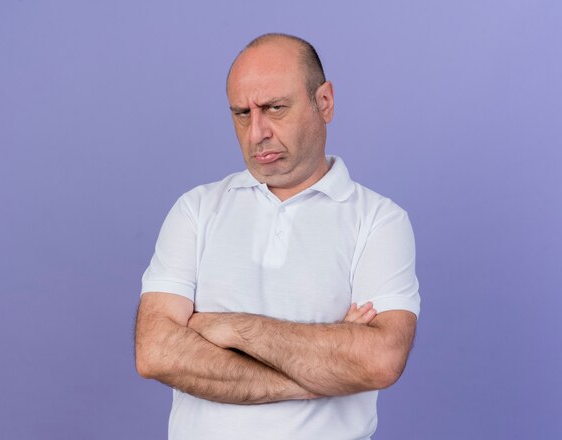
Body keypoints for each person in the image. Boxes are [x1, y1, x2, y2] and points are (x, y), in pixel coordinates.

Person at [134, 33, 420, 440]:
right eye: (241, 114)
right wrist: (318, 373)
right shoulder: (195, 209)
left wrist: (229, 328)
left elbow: (378, 361)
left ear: (324, 102)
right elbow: (156, 352)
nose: (257, 133)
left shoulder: (379, 220)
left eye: (275, 108)